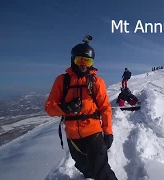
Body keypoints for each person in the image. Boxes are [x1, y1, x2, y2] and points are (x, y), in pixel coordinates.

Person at [45, 35, 117, 180]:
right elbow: (49, 107)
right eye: (80, 60)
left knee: (102, 172)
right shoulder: (62, 81)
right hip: (72, 136)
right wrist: (65, 108)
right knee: (84, 167)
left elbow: (105, 108)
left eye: (88, 61)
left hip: (94, 134)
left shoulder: (96, 82)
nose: (83, 64)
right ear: (73, 60)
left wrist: (108, 132)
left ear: (92, 63)